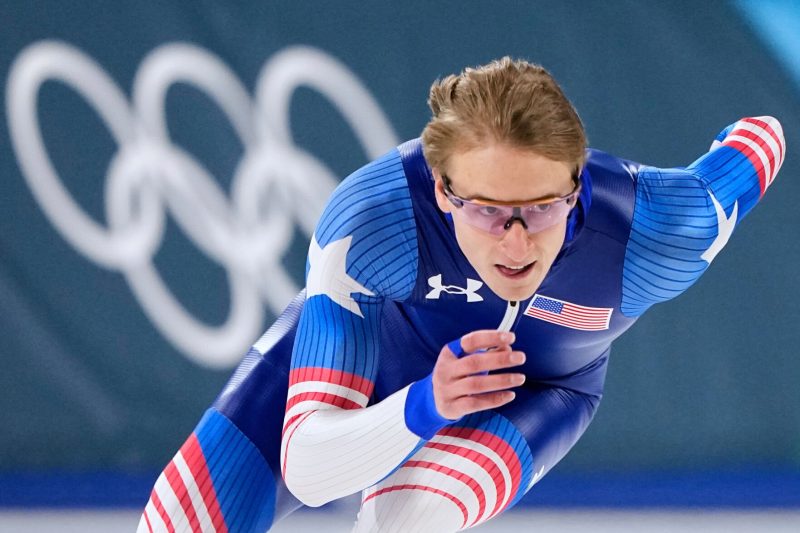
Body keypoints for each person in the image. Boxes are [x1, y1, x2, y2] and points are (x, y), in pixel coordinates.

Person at [137, 57, 785, 533]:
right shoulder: (374, 222)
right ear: (443, 192)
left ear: (577, 183)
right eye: (487, 211)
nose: (516, 243)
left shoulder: (657, 232)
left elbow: (762, 138)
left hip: (532, 391)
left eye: (542, 209)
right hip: (372, 366)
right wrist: (425, 402)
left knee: (401, 522)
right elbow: (309, 471)